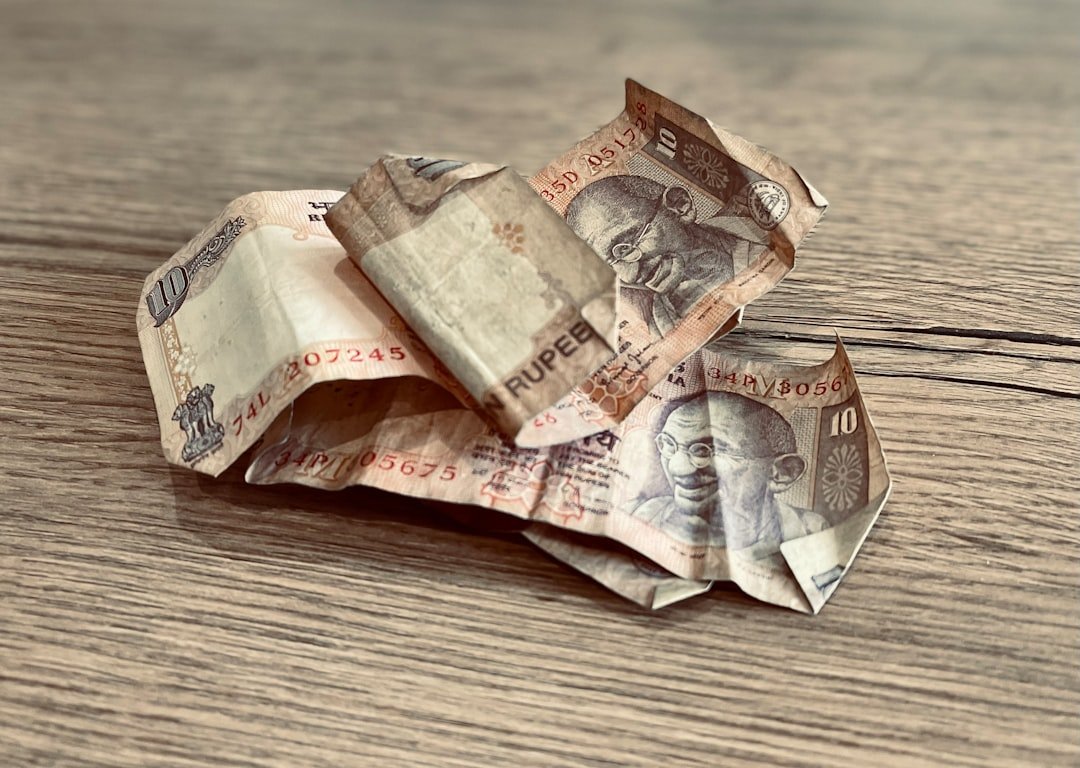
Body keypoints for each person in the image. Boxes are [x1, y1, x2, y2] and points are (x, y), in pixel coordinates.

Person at [632, 391, 827, 551]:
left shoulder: (813, 533)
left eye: (708, 450)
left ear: (782, 473)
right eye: (669, 445)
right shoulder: (638, 516)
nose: (677, 468)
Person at [565, 175, 739, 336]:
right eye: (609, 267)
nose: (629, 276)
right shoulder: (655, 330)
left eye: (627, 246)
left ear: (679, 207)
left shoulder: (756, 243)